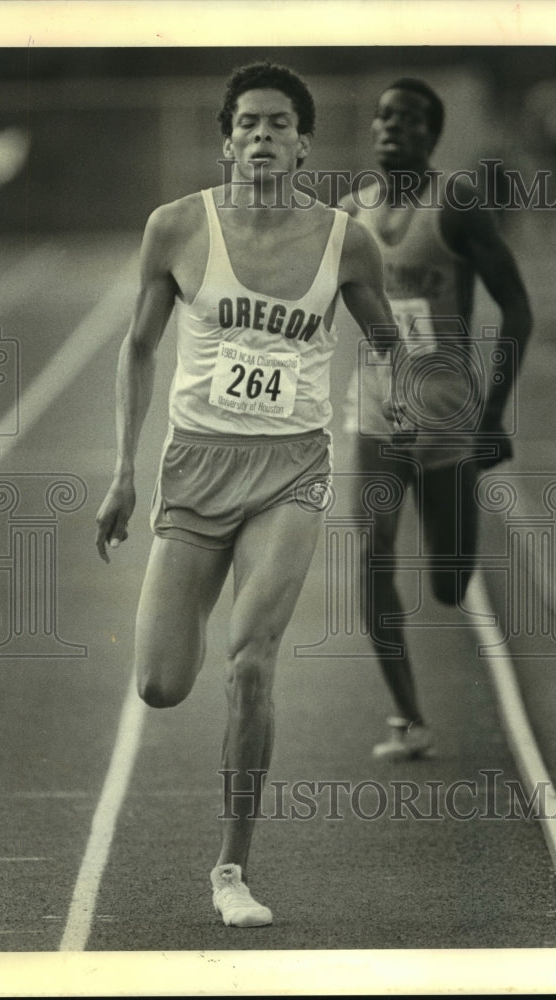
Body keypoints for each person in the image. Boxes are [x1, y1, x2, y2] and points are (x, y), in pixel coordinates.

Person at [95, 61, 400, 928]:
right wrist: (124, 470)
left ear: (303, 143)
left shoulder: (346, 240)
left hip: (291, 470)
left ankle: (232, 867)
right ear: (227, 139)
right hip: (195, 469)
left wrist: (406, 409)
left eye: (279, 123)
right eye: (247, 123)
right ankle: (185, 609)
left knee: (252, 659)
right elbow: (138, 348)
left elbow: (386, 340)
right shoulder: (176, 228)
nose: (262, 135)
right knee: (159, 684)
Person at [339, 78, 533, 761]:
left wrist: (493, 416)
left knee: (450, 584)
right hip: (373, 419)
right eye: (383, 116)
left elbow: (518, 310)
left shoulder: (456, 208)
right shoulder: (349, 216)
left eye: (410, 119)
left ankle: (452, 568)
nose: (392, 127)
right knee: (371, 552)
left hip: (449, 421)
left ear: (432, 135)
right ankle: (408, 717)